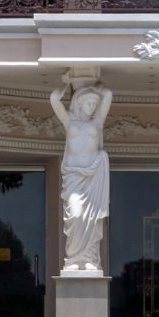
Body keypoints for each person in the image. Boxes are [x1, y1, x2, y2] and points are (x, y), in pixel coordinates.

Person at [52, 83, 114, 272]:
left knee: (92, 220)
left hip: (93, 176)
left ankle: (89, 260)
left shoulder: (97, 123)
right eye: (88, 102)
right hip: (74, 177)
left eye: (94, 103)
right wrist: (61, 89)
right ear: (79, 104)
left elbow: (108, 94)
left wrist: (98, 88)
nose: (92, 106)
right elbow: (55, 101)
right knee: (76, 215)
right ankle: (73, 259)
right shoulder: (70, 122)